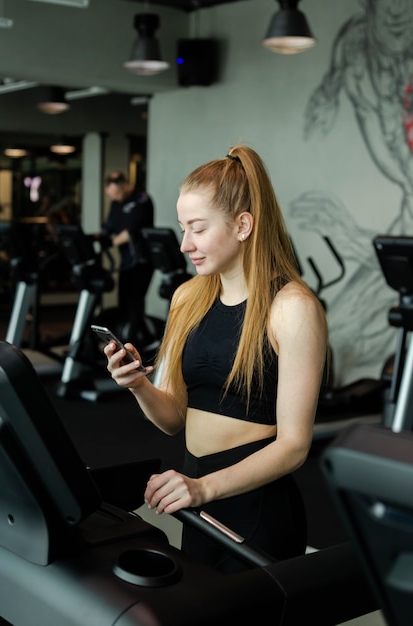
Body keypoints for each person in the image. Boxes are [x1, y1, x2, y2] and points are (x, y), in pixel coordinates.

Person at [103, 146, 328, 573]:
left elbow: (295, 445)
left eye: (198, 229)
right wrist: (138, 385)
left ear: (242, 225)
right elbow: (172, 418)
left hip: (258, 510)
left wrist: (204, 488)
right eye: (182, 228)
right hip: (199, 502)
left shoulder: (293, 308)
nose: (185, 244)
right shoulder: (187, 297)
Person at [100, 170, 155, 345]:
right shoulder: (117, 202)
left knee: (134, 302)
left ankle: (134, 343)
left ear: (125, 185)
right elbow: (109, 226)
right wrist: (99, 237)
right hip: (126, 262)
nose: (114, 198)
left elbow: (131, 232)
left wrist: (112, 242)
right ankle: (143, 339)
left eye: (116, 193)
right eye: (111, 195)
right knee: (124, 302)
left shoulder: (142, 199)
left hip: (141, 261)